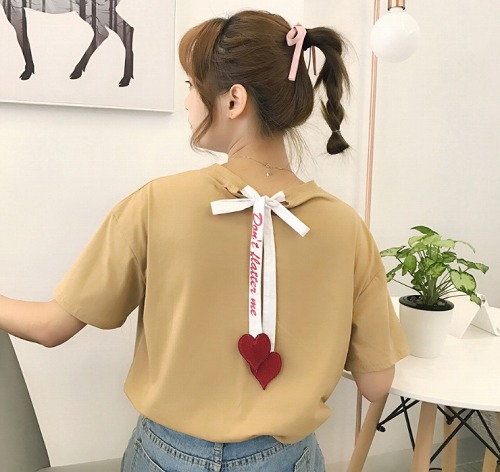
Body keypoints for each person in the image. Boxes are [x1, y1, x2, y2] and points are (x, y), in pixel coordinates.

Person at [0, 10, 409, 472]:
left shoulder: (157, 203)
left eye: (192, 86)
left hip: (165, 455)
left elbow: (52, 327)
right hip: (286, 459)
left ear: (234, 100)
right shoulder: (346, 227)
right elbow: (377, 384)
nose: (188, 100)